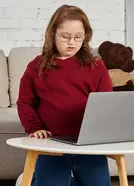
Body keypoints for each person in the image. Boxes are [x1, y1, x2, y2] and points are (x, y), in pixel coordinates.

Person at [16, 4, 113, 186]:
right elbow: (24, 102)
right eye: (65, 36)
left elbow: (106, 104)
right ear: (52, 33)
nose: (72, 43)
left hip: (88, 145)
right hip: (51, 143)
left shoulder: (96, 66)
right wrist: (35, 128)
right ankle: (31, 179)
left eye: (78, 37)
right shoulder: (36, 66)